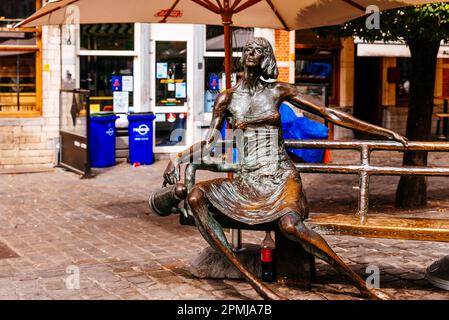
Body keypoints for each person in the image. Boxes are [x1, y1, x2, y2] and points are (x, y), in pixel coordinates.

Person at [163, 37, 408, 300]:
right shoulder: (228, 98)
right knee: (196, 196)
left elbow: (329, 114)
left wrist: (382, 132)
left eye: (258, 50)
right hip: (248, 181)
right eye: (247, 49)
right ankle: (257, 285)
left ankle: (363, 285)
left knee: (290, 225)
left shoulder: (278, 91)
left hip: (280, 177)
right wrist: (178, 158)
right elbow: (210, 141)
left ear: (266, 57)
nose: (250, 53)